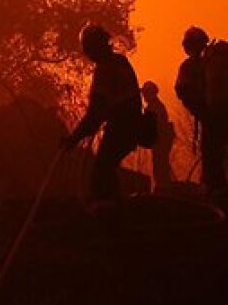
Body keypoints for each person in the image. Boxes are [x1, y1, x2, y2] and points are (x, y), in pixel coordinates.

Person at [60, 24, 142, 208]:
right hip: (132, 125)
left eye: (88, 48)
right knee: (107, 168)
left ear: (95, 47)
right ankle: (117, 207)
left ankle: (109, 218)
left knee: (100, 174)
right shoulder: (121, 62)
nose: (87, 53)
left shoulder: (105, 69)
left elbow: (95, 113)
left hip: (121, 127)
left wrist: (73, 139)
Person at [175, 26, 228, 207]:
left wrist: (201, 110)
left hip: (215, 115)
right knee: (219, 155)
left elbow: (183, 89)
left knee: (212, 156)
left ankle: (218, 199)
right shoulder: (221, 56)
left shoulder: (202, 62)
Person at [141, 81, 176, 191]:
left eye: (146, 93)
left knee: (160, 167)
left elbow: (156, 126)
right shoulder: (154, 106)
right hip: (159, 142)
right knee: (160, 166)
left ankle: (163, 190)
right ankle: (163, 189)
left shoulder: (155, 107)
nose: (144, 96)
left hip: (160, 142)